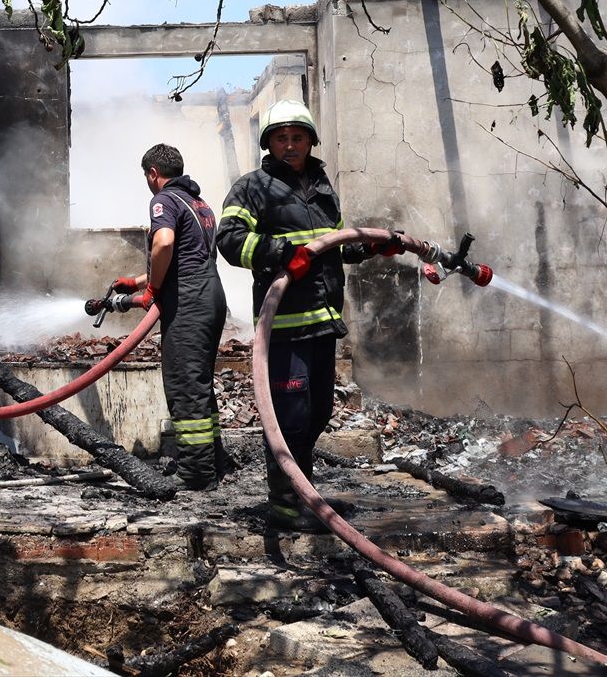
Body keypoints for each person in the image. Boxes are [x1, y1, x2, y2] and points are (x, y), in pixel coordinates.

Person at [216, 99, 402, 530]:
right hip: (283, 325)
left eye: (297, 137)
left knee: (317, 412)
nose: (290, 145)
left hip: (322, 321)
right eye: (280, 138)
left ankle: (302, 490)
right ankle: (285, 506)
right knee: (290, 417)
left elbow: (330, 244)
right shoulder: (253, 188)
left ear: (311, 140)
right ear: (269, 144)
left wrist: (371, 245)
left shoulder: (320, 184)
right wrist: (282, 253)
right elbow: (229, 241)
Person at [111, 144, 229, 490]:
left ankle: (195, 474)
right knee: (200, 385)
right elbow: (186, 254)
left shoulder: (164, 200)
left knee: (184, 386)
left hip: (189, 300)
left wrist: (151, 292)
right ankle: (212, 460)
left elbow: (163, 244)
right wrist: (136, 281)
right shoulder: (199, 204)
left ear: (152, 173)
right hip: (210, 294)